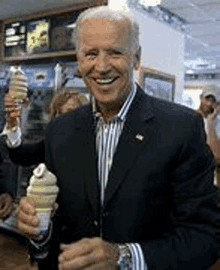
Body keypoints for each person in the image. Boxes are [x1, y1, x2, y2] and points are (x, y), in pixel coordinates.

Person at [16, 6, 218, 270]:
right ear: (79, 60)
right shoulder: (59, 132)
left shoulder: (181, 128)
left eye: (115, 52)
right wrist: (39, 231)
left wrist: (124, 256)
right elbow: (60, 232)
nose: (101, 67)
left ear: (136, 58)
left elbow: (204, 238)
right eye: (90, 54)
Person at [4, 90, 88, 166]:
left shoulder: (94, 144)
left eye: (69, 113)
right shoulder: (51, 145)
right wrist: (13, 125)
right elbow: (21, 156)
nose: (63, 119)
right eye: (58, 113)